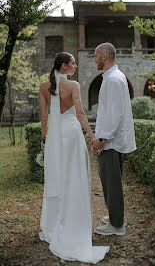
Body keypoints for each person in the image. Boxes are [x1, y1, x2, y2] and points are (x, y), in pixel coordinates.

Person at [39, 52, 109, 264]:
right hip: (71, 134)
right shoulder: (74, 86)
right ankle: (73, 222)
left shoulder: (44, 86)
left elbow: (44, 116)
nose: (76, 66)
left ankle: (54, 224)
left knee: (56, 177)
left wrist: (44, 140)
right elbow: (79, 114)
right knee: (74, 177)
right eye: (73, 63)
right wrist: (93, 136)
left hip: (54, 136)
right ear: (64, 66)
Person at [91, 43, 136, 236]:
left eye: (95, 56)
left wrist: (102, 138)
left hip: (110, 141)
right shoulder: (112, 78)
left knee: (111, 183)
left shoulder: (114, 80)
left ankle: (117, 226)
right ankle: (116, 216)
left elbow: (116, 114)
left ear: (104, 56)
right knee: (111, 181)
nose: (94, 59)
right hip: (110, 140)